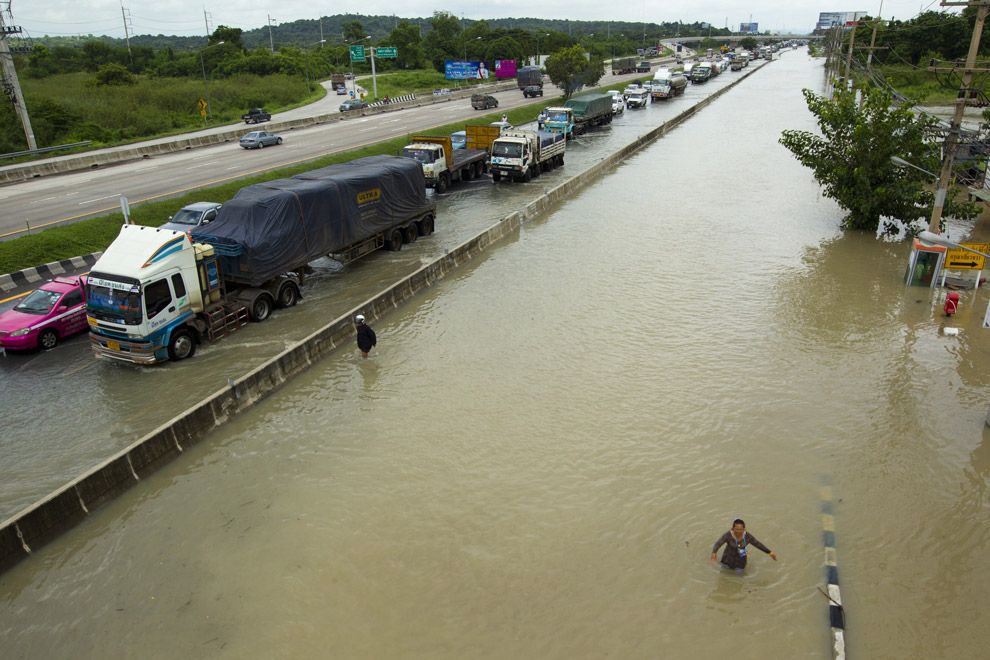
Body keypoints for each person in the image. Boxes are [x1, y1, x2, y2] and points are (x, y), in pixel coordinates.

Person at [710, 519, 776, 572]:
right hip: (727, 560)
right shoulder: (727, 535)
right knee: (723, 577)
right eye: (737, 529)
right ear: (733, 528)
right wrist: (714, 554)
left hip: (740, 562)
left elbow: (758, 544)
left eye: (740, 529)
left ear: (744, 529)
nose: (738, 531)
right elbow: (718, 543)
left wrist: (770, 553)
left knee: (739, 581)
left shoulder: (748, 537)